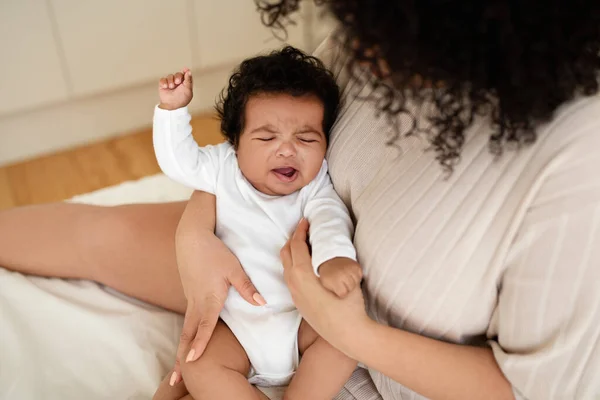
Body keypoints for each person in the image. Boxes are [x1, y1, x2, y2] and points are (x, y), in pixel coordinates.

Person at [1, 1, 599, 399]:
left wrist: (353, 334)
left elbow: (531, 391)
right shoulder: (388, 31)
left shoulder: (577, 160)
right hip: (269, 250)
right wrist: (194, 236)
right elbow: (239, 160)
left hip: (360, 344)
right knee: (91, 237)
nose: (366, 54)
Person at [153, 46, 361, 399]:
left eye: (307, 138)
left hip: (302, 320)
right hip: (237, 326)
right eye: (267, 137)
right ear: (235, 142)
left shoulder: (315, 187)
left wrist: (334, 260)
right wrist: (173, 111)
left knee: (345, 342)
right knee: (196, 363)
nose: (287, 150)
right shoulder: (222, 168)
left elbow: (330, 220)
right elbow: (180, 163)